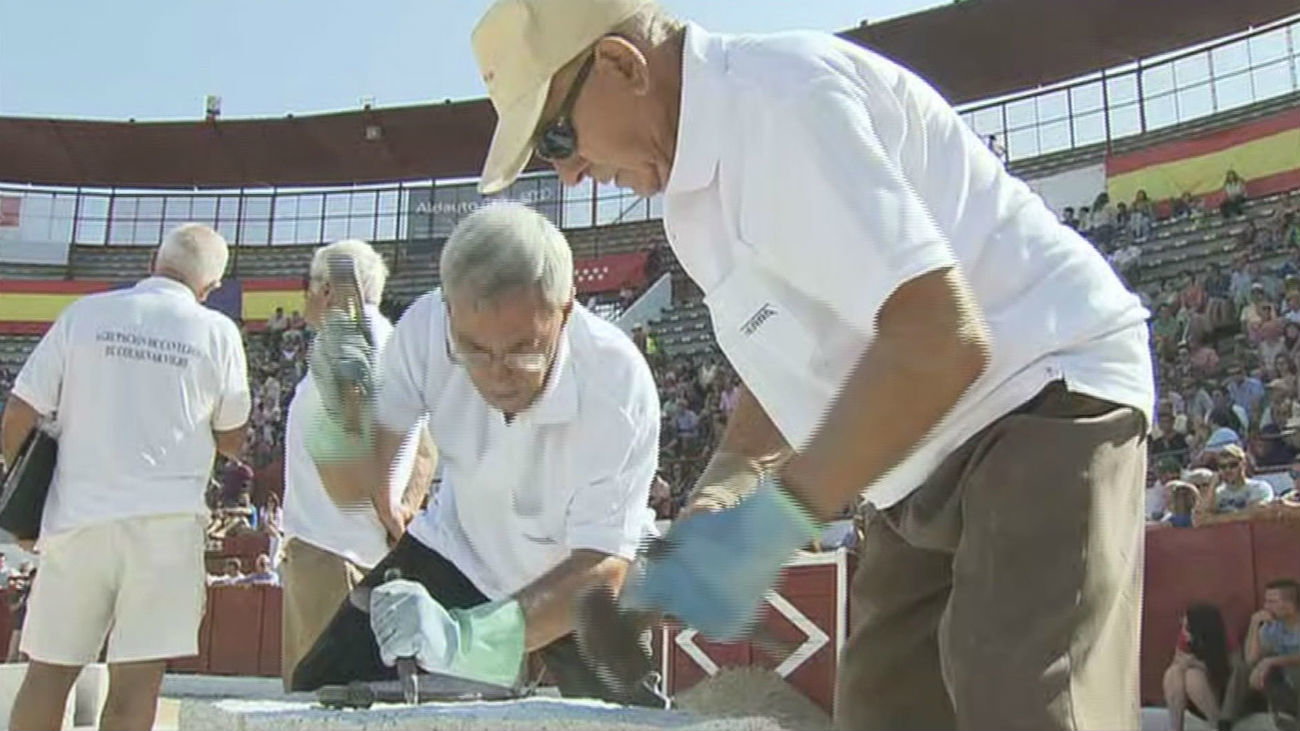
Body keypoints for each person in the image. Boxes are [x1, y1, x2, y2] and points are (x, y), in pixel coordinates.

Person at [471, 1, 1153, 727]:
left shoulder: (779, 106)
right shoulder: (692, 209)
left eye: (556, 134)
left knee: (1022, 703)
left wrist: (764, 532)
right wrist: (719, 501)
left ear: (621, 64)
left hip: (1040, 400)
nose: (569, 173)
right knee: (885, 712)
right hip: (922, 455)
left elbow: (940, 339)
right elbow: (788, 378)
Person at [291, 203, 664, 706]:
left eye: (522, 349)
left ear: (566, 310)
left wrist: (465, 639)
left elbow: (599, 566)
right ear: (448, 310)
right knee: (323, 686)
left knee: (628, 717)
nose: (496, 373)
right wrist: (377, 487)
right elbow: (385, 432)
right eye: (474, 349)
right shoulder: (424, 328)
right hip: (461, 546)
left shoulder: (617, 384)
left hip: (577, 574)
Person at [0, 223, 249, 731]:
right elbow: (232, 438)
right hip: (167, 527)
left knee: (47, 676)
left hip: (77, 521)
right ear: (211, 287)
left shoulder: (85, 314)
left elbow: (20, 411)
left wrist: (14, 502)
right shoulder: (218, 331)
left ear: (153, 262)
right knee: (135, 689)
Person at [279, 239, 436, 690]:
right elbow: (426, 449)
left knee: (316, 696)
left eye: (309, 287)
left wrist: (387, 507)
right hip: (363, 548)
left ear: (328, 290)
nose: (305, 298)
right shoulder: (388, 342)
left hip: (329, 546)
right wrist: (399, 512)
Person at [1221, 579, 1300, 728]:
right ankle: (1225, 723)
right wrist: (1254, 624)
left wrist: (1272, 661)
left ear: (1290, 605)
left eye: (1272, 602)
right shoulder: (1274, 626)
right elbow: (1251, 659)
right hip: (1281, 686)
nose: (1265, 606)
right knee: (1243, 669)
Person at [1163, 603, 1230, 731]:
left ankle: (1218, 725)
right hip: (1187, 696)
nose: (1184, 631)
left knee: (1192, 676)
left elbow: (1228, 671)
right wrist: (1184, 663)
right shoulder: (1185, 638)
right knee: (1173, 672)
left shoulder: (1223, 639)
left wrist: (1195, 663)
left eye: (1187, 627)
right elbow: (1177, 661)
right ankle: (1176, 727)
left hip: (1214, 692)